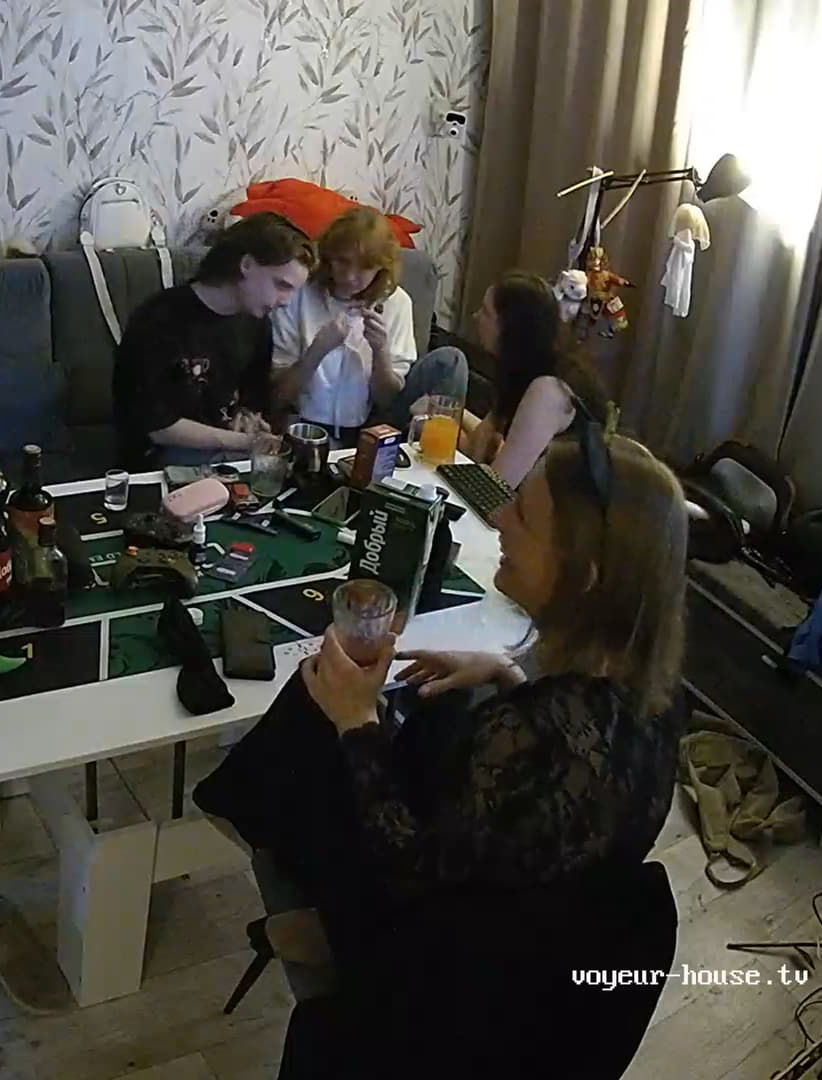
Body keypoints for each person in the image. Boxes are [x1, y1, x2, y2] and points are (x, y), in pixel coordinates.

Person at [195, 433, 688, 1078]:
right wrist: (510, 675)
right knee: (439, 706)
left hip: (444, 989)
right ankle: (296, 881)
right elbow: (568, 784)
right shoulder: (657, 703)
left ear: (586, 575)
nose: (500, 517)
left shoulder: (526, 736)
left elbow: (408, 868)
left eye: (524, 515)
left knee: (315, 719)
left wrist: (356, 720)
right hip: (528, 945)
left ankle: (311, 905)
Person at [112, 212, 317, 468]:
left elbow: (253, 397)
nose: (286, 302)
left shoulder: (257, 321)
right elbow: (157, 427)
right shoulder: (158, 320)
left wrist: (247, 416)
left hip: (223, 452)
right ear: (246, 265)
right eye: (281, 285)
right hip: (159, 458)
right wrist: (245, 442)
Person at [269, 206, 466, 446]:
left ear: (381, 267)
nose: (350, 276)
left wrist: (380, 351)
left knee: (451, 359)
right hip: (303, 424)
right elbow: (279, 395)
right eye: (343, 261)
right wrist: (317, 351)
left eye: (364, 267)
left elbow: (388, 400)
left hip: (372, 425)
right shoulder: (298, 293)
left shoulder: (397, 303)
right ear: (328, 256)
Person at [463, 269, 610, 488]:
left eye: (485, 312)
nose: (476, 317)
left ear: (511, 328)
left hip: (560, 504)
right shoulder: (521, 369)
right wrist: (447, 416)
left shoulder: (549, 390)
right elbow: (477, 448)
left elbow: (496, 488)